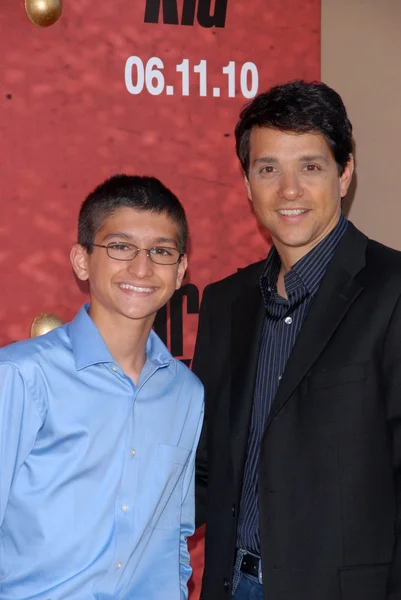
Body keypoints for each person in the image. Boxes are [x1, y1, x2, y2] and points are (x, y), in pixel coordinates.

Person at [193, 80, 401, 600]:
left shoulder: (393, 290)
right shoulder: (225, 303)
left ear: (345, 172)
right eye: (268, 169)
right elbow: (204, 466)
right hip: (233, 584)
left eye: (310, 166)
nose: (288, 190)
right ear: (246, 182)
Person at [0, 175, 204, 599]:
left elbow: (174, 538)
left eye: (161, 252)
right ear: (81, 260)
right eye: (121, 247)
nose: (142, 268)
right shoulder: (22, 375)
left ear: (181, 270)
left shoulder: (186, 393)